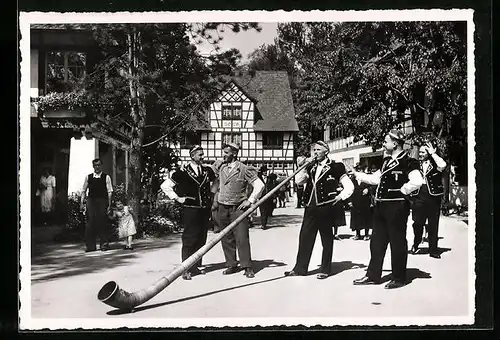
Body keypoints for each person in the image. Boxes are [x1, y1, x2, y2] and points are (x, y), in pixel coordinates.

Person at [352, 130, 424, 289]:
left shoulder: (408, 161)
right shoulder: (386, 161)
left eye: (386, 141)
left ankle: (399, 278)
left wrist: (403, 191)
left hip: (397, 207)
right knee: (376, 242)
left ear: (395, 143)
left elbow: (418, 181)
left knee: (397, 242)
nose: (383, 144)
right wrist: (359, 175)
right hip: (381, 206)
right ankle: (372, 275)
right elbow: (376, 179)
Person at [284, 141, 354, 279]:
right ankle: (300, 268)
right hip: (310, 207)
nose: (315, 153)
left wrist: (340, 197)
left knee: (326, 239)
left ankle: (325, 269)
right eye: (313, 150)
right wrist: (302, 167)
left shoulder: (336, 166)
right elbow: (299, 181)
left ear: (326, 151)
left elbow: (349, 186)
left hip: (326, 207)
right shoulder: (310, 167)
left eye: (318, 150)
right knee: (305, 237)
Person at [161, 145, 216, 280]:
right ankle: (185, 268)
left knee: (201, 238)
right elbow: (165, 186)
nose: (203, 157)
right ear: (192, 156)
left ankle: (195, 266)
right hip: (190, 209)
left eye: (203, 154)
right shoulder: (182, 172)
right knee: (189, 238)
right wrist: (177, 198)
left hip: (204, 209)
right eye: (200, 155)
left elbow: (216, 183)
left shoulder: (207, 170)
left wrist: (213, 196)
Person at [211, 142, 265, 278]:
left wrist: (250, 200)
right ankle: (231, 264)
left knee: (241, 237)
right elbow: (209, 173)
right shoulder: (221, 166)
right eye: (223, 152)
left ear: (234, 154)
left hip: (238, 208)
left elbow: (259, 185)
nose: (223, 155)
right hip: (222, 207)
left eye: (226, 152)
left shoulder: (244, 169)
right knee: (226, 237)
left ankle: (247, 266)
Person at [409, 141, 447, 259]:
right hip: (419, 196)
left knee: (433, 224)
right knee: (417, 223)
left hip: (433, 196)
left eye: (423, 152)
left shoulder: (436, 163)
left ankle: (433, 250)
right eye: (419, 152)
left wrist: (433, 154)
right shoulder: (415, 164)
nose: (420, 154)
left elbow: (443, 165)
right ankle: (416, 243)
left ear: (429, 152)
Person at [81, 158, 113, 252]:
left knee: (102, 221)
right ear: (93, 166)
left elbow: (110, 191)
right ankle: (90, 246)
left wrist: (109, 205)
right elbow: (83, 190)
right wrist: (82, 203)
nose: (97, 167)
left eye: (99, 165)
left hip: (102, 200)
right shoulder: (88, 177)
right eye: (95, 165)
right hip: (91, 201)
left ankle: (104, 244)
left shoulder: (106, 177)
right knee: (90, 222)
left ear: (101, 165)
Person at [349, 164, 372, 240]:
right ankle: (357, 234)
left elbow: (374, 185)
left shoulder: (367, 178)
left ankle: (366, 234)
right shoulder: (353, 178)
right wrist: (349, 201)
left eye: (361, 169)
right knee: (356, 218)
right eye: (358, 170)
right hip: (355, 200)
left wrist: (368, 189)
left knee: (366, 217)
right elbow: (349, 189)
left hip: (365, 200)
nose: (359, 171)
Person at [258, 165, 278, 230]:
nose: (265, 172)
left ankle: (264, 223)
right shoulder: (259, 179)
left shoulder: (270, 179)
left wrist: (274, 197)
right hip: (261, 196)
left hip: (269, 197)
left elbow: (273, 188)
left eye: (266, 171)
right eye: (264, 171)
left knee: (266, 211)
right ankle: (263, 224)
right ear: (261, 172)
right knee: (262, 211)